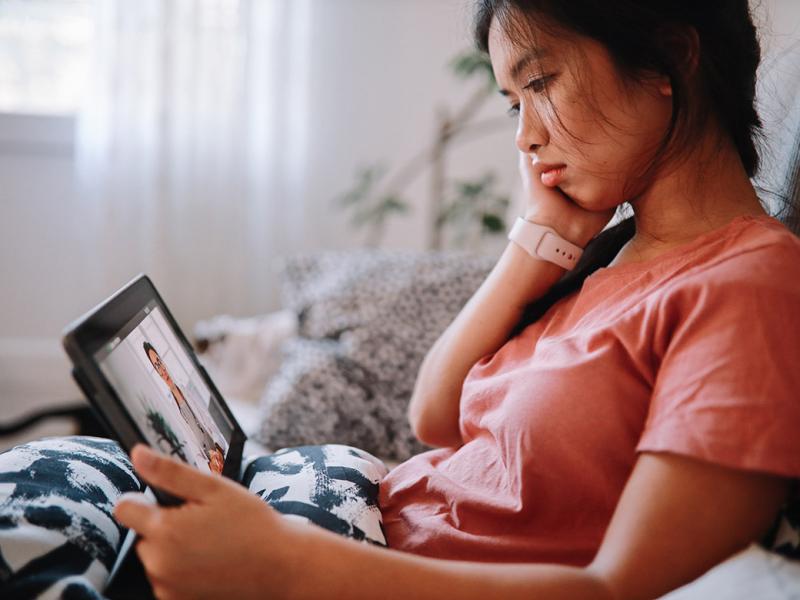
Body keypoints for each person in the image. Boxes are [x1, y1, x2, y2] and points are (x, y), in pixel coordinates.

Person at [114, 1, 800, 598]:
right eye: (513, 103)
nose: (526, 137)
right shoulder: (613, 254)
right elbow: (435, 414)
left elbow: (618, 589)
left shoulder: (752, 286)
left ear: (669, 59)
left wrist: (286, 569)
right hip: (349, 516)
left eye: (540, 81)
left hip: (341, 567)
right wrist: (541, 241)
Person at [143, 341, 225, 474]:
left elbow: (210, 421)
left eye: (160, 362)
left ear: (163, 361)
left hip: (219, 450)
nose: (162, 370)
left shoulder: (187, 389)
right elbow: (192, 448)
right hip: (209, 466)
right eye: (156, 366)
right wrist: (209, 466)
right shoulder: (170, 409)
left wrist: (219, 450)